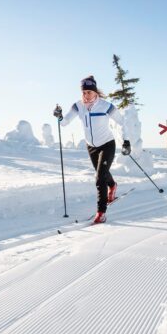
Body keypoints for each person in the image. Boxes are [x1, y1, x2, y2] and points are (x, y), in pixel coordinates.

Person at [53, 75, 131, 223]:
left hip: (107, 144)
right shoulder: (78, 106)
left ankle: (101, 212)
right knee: (102, 173)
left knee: (99, 177)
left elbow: (122, 122)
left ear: (95, 92)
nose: (86, 95)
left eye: (89, 92)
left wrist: (126, 141)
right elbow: (64, 123)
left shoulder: (106, 106)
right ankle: (113, 185)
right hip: (91, 147)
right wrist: (59, 116)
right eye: (83, 92)